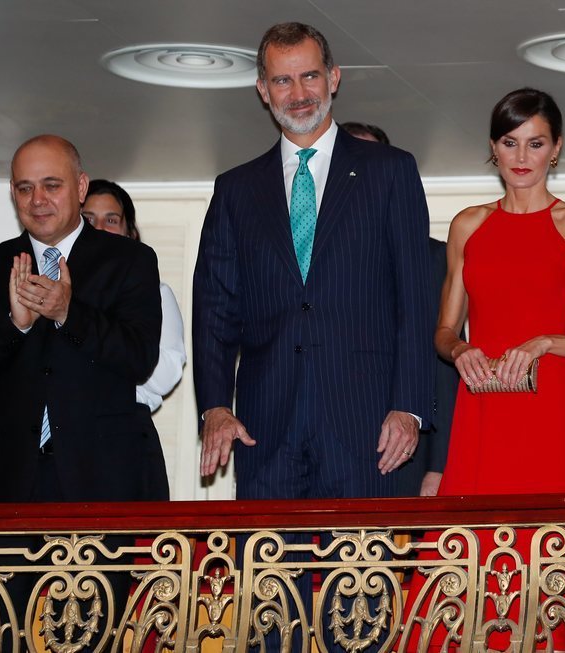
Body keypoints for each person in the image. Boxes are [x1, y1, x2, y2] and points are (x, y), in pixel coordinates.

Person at [411, 88, 565, 651]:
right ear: (494, 148)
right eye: (510, 142)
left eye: (535, 142)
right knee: (464, 578)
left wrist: (547, 342)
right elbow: (442, 331)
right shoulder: (468, 225)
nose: (522, 155)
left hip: (548, 415)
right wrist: (461, 353)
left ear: (556, 149)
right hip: (481, 415)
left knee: (547, 576)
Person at [193, 22, 432, 500]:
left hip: (366, 426)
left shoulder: (390, 171)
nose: (298, 93)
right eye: (282, 80)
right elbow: (215, 310)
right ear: (263, 90)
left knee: (360, 573)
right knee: (268, 573)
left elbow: (416, 299)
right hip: (264, 430)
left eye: (310, 77)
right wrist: (215, 406)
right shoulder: (236, 190)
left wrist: (409, 406)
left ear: (334, 78)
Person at [0, 135, 167, 503]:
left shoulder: (129, 261)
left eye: (51, 185)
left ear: (80, 187)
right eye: (25, 188)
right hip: (5, 483)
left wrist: (68, 314)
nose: (38, 200)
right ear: (13, 192)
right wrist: (15, 327)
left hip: (101, 479)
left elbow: (139, 358)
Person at [339, 120, 454, 497]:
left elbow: (444, 363)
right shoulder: (301, 255)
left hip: (403, 451)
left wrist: (439, 467)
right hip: (321, 449)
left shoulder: (430, 257)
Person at [82, 179, 186, 414]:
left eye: (111, 220)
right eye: (87, 219)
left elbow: (165, 377)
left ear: (129, 232)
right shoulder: (54, 293)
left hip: (124, 428)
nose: (98, 228)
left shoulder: (156, 293)